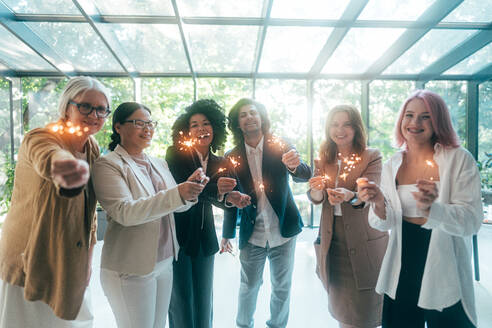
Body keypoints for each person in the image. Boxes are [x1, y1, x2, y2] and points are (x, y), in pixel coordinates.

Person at [358, 90, 483, 328]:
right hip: (403, 260)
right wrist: (376, 202)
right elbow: (384, 222)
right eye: (410, 115)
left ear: (438, 122)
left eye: (426, 117)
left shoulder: (459, 160)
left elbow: (472, 221)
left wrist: (432, 210)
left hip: (445, 261)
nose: (415, 123)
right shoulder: (392, 164)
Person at [0, 76, 111, 327]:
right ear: (67, 106)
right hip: (30, 257)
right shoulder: (41, 137)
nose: (94, 114)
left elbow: (89, 212)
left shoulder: (91, 146)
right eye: (85, 106)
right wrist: (65, 169)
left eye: (101, 109)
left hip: (71, 257)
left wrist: (87, 260)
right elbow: (49, 156)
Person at [92, 102, 207, 328]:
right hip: (131, 267)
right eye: (139, 123)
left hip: (164, 260)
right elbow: (126, 212)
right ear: (118, 127)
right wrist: (177, 193)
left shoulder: (158, 163)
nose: (147, 129)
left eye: (150, 123)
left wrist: (189, 192)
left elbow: (177, 205)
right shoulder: (107, 165)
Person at [221, 98, 312, 328]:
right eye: (243, 115)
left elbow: (305, 174)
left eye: (253, 112)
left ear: (261, 118)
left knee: (282, 286)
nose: (249, 117)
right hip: (252, 234)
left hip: (284, 230)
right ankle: (244, 325)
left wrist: (293, 165)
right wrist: (227, 233)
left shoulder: (280, 145)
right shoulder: (232, 155)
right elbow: (230, 195)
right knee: (249, 286)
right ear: (237, 124)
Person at [165, 99, 250, 328]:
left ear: (215, 128)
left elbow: (223, 198)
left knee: (204, 301)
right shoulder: (176, 155)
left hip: (205, 239)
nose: (201, 129)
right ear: (186, 130)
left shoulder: (221, 162)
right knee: (182, 301)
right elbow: (187, 190)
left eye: (206, 123)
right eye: (194, 125)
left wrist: (234, 199)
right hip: (178, 238)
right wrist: (218, 191)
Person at [307, 104, 387, 328]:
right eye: (334, 124)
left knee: (366, 314)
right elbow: (316, 197)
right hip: (334, 243)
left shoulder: (371, 156)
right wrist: (316, 189)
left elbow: (371, 194)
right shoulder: (323, 158)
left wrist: (350, 195)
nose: (339, 130)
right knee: (344, 314)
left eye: (346, 124)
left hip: (365, 242)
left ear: (356, 128)